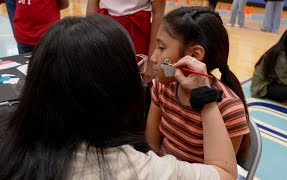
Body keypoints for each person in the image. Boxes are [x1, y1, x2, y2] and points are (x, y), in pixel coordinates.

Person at [0, 14, 237, 180]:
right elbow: (224, 174)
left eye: (161, 48)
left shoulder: (15, 140)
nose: (153, 59)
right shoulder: (134, 168)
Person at [146, 7, 250, 164]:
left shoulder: (229, 110)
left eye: (161, 48)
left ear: (194, 56)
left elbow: (219, 172)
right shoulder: (163, 87)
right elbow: (152, 145)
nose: (153, 58)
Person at [86, 0, 165, 84]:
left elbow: (158, 14)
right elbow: (92, 6)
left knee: (134, 84)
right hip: (102, 29)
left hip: (137, 33)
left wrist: (151, 61)